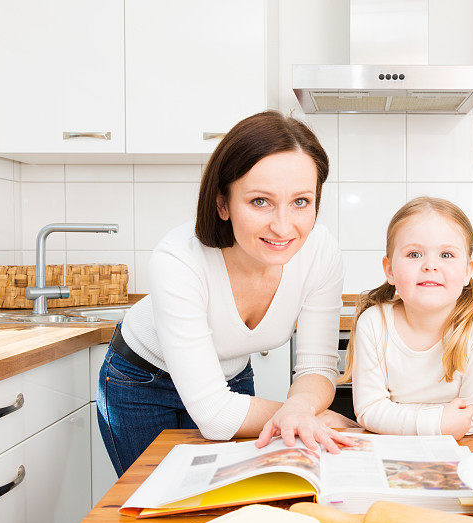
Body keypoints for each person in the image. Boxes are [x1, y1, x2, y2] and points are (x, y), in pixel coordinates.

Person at [97, 110, 356, 477]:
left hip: (230, 383)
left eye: (300, 201)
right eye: (259, 201)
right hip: (140, 383)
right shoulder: (178, 259)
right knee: (158, 507)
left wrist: (300, 406)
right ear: (222, 204)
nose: (283, 226)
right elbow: (215, 417)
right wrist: (301, 412)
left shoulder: (321, 252)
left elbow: (316, 366)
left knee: (231, 500)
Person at [340, 197, 473, 440]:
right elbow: (369, 411)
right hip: (395, 451)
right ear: (389, 270)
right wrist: (439, 422)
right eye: (414, 254)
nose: (430, 265)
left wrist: (396, 418)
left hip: (467, 451)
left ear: (467, 271)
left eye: (447, 255)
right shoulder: (374, 323)